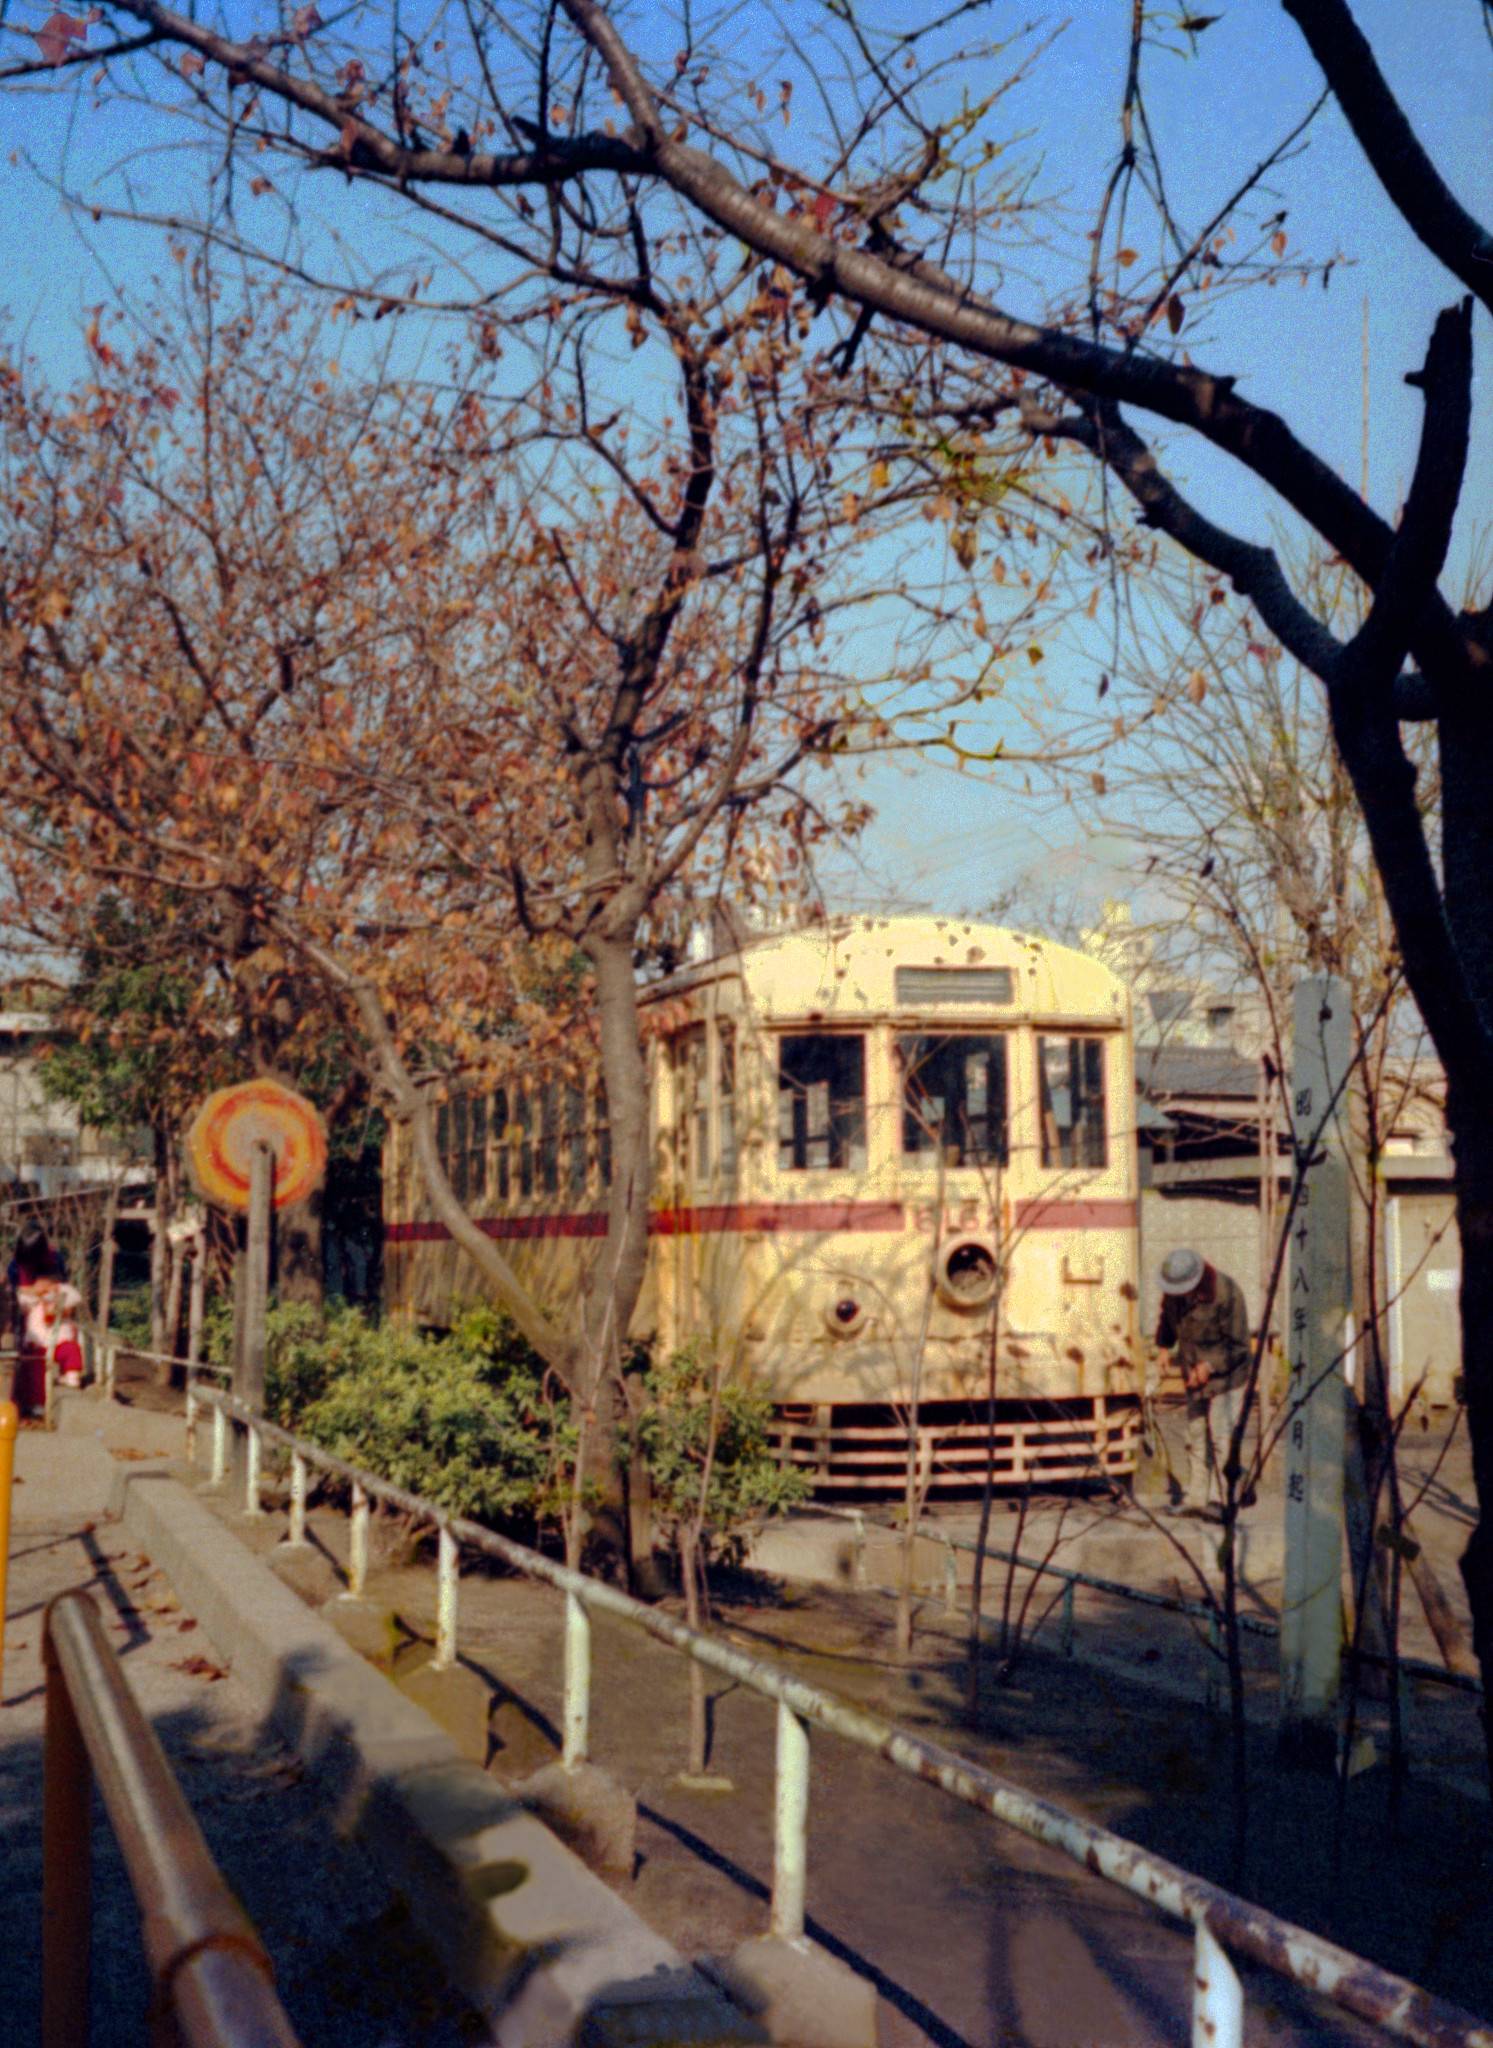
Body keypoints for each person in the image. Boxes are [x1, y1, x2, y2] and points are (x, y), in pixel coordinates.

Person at [1154, 1247, 1253, 1520]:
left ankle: (1224, 1502)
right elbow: (1167, 1318)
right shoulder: (1174, 1292)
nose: (1177, 1295)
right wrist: (1164, 1347)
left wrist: (1209, 1366)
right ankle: (1197, 1499)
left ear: (1196, 1281)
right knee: (1195, 1436)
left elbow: (1240, 1347)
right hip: (1194, 1376)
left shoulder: (1227, 1293)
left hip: (1227, 1378)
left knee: (1221, 1439)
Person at [9, 1220, 83, 1416]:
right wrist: (32, 1292)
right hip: (30, 1315)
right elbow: (14, 1289)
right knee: (30, 1360)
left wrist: (63, 1307)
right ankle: (26, 1401)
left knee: (62, 1351)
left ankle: (42, 1403)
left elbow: (63, 1288)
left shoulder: (53, 1258)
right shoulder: (17, 1261)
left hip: (51, 1316)